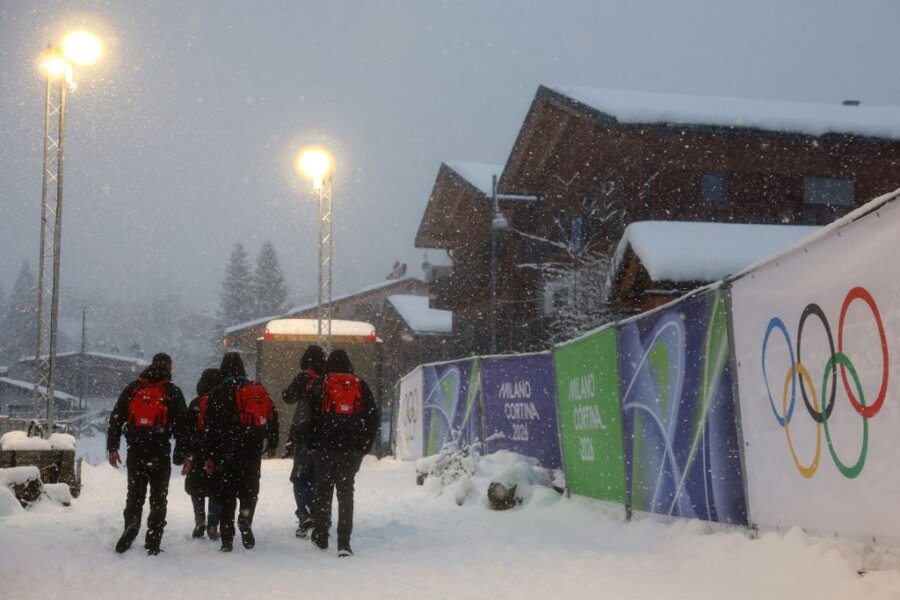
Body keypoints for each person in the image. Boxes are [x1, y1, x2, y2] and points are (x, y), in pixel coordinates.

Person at [107, 352, 189, 556]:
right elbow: (183, 428)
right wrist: (184, 455)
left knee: (135, 494)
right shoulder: (172, 391)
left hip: (136, 449)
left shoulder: (134, 388)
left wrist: (112, 448)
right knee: (159, 497)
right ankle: (153, 539)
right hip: (160, 450)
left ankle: (132, 525)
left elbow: (116, 418)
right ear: (169, 367)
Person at [306, 349, 380, 557]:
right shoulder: (359, 384)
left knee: (323, 492)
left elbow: (307, 417)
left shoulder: (319, 384)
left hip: (324, 448)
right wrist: (364, 446)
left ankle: (321, 535)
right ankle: (344, 543)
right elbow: (372, 417)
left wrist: (312, 444)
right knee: (346, 494)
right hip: (351, 449)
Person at [204, 352, 278, 552]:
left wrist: (209, 455)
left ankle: (227, 539)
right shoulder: (254, 390)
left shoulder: (217, 392)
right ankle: (245, 519)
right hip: (251, 450)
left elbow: (208, 427)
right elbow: (272, 415)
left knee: (226, 495)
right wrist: (272, 442)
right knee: (249, 490)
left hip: (223, 452)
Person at [281, 344, 326, 538]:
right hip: (325, 439)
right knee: (318, 479)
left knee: (300, 478)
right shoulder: (328, 378)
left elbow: (288, 398)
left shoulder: (305, 376)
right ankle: (318, 515)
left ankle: (304, 515)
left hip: (305, 436)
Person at [181, 368, 223, 540]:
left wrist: (188, 454)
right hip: (216, 452)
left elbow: (186, 430)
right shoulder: (222, 402)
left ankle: (200, 521)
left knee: (197, 488)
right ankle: (213, 526)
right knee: (216, 490)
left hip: (197, 451)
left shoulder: (196, 403)